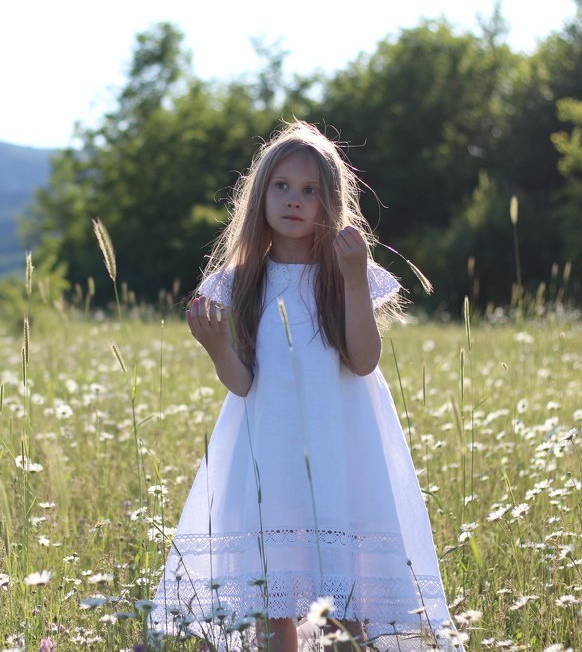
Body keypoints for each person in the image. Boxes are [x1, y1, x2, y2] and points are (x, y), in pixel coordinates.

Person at [149, 122, 461, 651]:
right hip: (269, 457)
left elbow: (364, 361)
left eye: (310, 189)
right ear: (260, 194)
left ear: (330, 202)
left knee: (344, 596)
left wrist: (355, 276)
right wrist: (218, 347)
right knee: (275, 597)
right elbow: (243, 384)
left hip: (341, 448)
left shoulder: (342, 273)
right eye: (282, 186)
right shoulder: (242, 281)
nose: (294, 199)